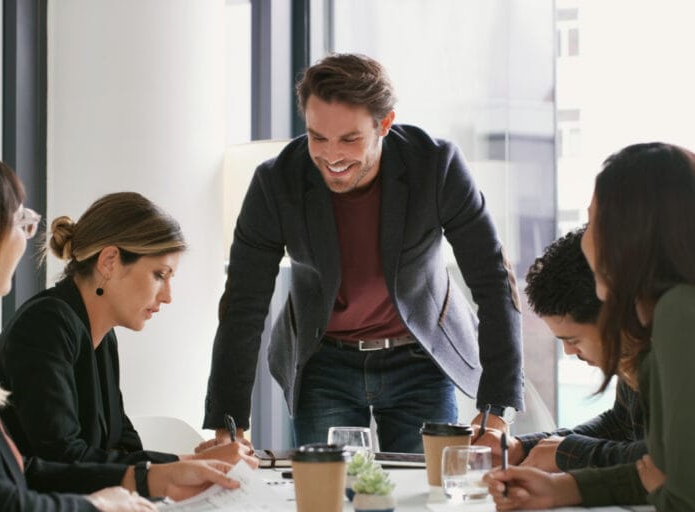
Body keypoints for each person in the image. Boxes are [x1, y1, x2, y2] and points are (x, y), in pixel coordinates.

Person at [203, 53, 523, 453]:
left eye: (349, 139)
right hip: (324, 363)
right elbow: (243, 305)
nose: (331, 156)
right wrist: (228, 426)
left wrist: (496, 407)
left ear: (384, 124)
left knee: (425, 494)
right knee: (327, 498)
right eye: (317, 137)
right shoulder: (276, 182)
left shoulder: (436, 165)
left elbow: (493, 281)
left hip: (419, 358)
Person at [0, 153, 241, 511]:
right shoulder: (38, 327)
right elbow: (42, 468)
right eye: (19, 221)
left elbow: (98, 451)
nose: (27, 236)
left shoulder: (96, 335)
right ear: (109, 262)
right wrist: (104, 503)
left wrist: (175, 468)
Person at [484, 142, 695, 510]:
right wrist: (565, 487)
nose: (585, 238)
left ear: (632, 235)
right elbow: (655, 469)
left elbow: (679, 490)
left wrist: (654, 479)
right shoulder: (664, 318)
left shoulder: (678, 313)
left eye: (595, 220)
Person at [0, 192, 255, 468]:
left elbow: (124, 445)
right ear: (109, 261)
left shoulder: (101, 334)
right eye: (159, 275)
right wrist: (192, 464)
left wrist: (197, 463)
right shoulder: (45, 325)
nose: (168, 296)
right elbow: (64, 458)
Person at [475, 229, 645, 471]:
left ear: (611, 317)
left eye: (573, 339)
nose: (568, 352)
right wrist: (521, 448)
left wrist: (567, 453)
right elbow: (619, 425)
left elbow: (665, 461)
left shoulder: (670, 353)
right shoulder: (631, 358)